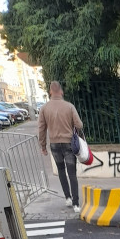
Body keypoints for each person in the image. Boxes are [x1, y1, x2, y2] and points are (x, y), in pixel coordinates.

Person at [38, 81, 84, 212]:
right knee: (72, 173)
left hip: (54, 145)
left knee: (61, 171)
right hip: (68, 143)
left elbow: (41, 129)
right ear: (61, 92)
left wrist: (43, 146)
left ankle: (68, 198)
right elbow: (79, 125)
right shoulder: (69, 106)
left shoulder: (44, 108)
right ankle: (76, 204)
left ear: (50, 92)